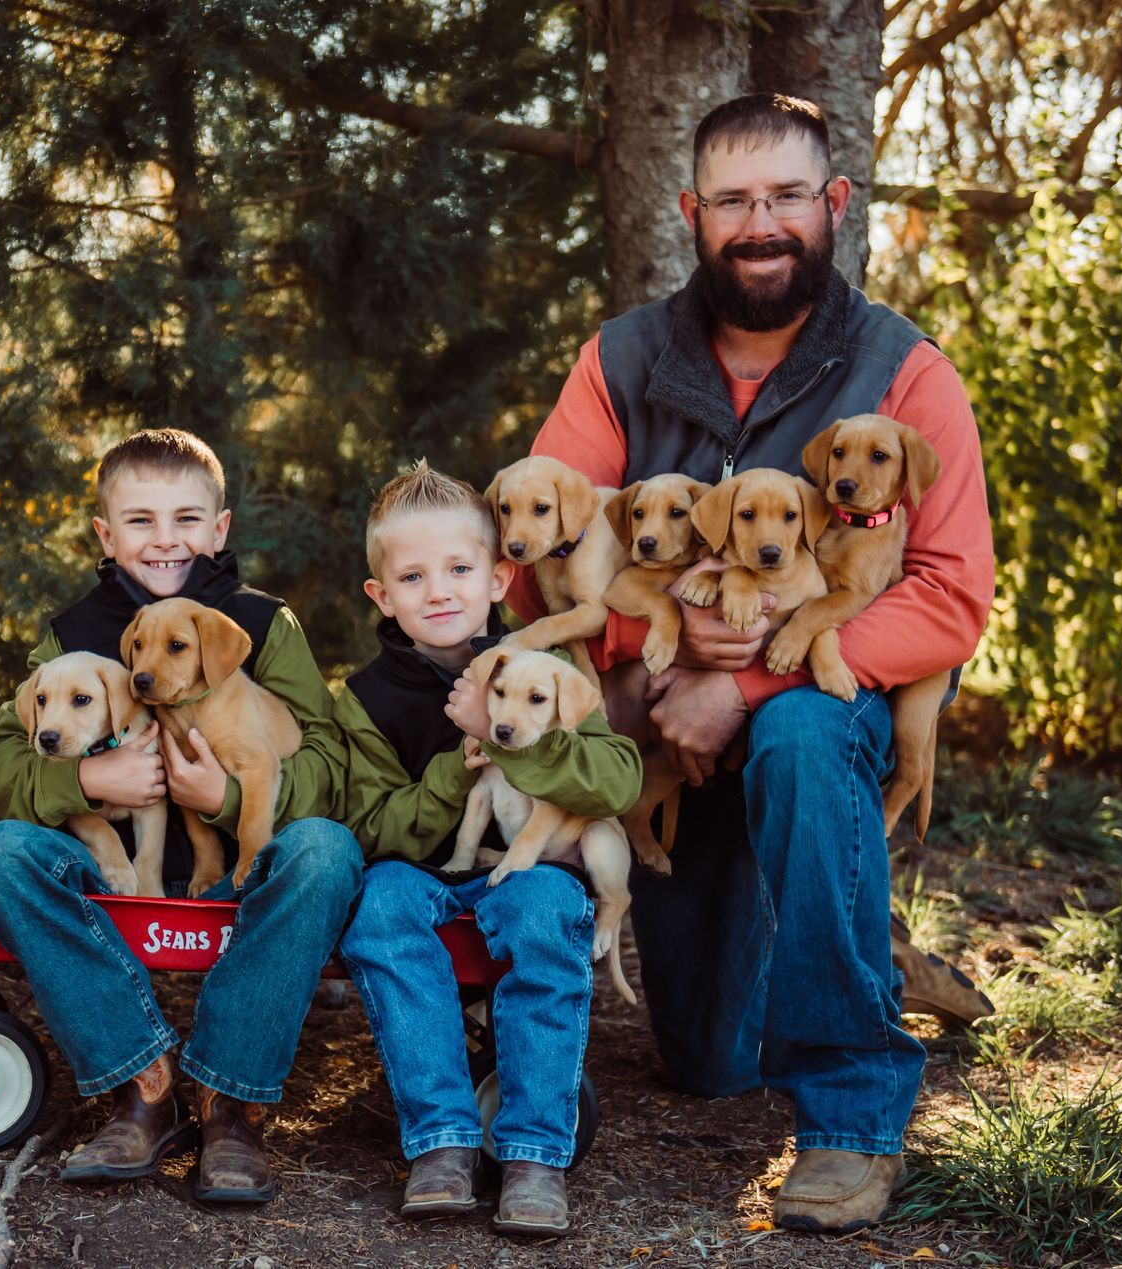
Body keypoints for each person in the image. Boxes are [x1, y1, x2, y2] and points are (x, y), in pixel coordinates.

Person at [518, 94, 995, 1232]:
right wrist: (657, 651)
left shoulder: (903, 372)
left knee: (804, 729)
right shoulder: (621, 360)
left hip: (813, 714)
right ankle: (855, 930)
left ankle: (850, 1116)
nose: (760, 221)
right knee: (711, 1060)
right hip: (667, 730)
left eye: (786, 195)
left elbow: (950, 592)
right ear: (693, 213)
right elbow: (532, 548)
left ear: (833, 204)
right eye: (732, 199)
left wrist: (744, 681)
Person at [0, 428, 362, 1204]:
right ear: (107, 537)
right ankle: (143, 1082)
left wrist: (233, 798)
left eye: (186, 518)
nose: (165, 538)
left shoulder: (260, 624)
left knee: (327, 848)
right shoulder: (73, 633)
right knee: (1, 852)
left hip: (238, 879)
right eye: (140, 520)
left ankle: (230, 1098)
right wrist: (87, 773)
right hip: (115, 882)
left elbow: (336, 764)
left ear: (219, 529)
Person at [334, 462, 641, 1232]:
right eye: (412, 575)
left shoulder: (546, 668)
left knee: (545, 907)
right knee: (379, 907)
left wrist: (519, 746)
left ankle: (535, 1152)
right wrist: (454, 762)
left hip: (528, 867)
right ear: (382, 594)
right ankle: (441, 1139)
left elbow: (616, 779)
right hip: (426, 872)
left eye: (460, 569)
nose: (439, 591)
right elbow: (370, 824)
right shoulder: (365, 699)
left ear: (501, 577)